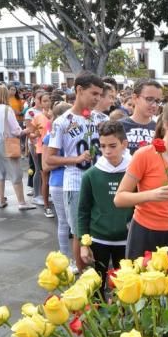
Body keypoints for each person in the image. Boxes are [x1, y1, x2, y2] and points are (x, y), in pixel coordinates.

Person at [115, 100, 168, 258]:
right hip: (144, 232)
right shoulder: (144, 155)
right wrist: (151, 195)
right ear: (166, 124)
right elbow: (119, 199)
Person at [47, 71, 106, 272]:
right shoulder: (61, 122)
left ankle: (100, 272)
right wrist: (76, 159)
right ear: (79, 90)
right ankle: (83, 277)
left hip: (100, 183)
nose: (97, 99)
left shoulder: (101, 118)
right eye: (94, 93)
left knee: (100, 229)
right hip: (75, 183)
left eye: (100, 94)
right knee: (79, 232)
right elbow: (49, 159)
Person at [77, 121, 132, 288]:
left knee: (125, 288)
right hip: (98, 239)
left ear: (124, 144)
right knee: (97, 288)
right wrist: (84, 244)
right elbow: (83, 211)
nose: (107, 151)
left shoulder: (134, 173)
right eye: (102, 146)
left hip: (126, 240)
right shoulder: (90, 175)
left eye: (113, 146)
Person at [0, 85, 35, 210]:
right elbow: (16, 131)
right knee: (15, 173)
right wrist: (26, 130)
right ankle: (21, 202)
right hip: (7, 143)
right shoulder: (7, 109)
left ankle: (1, 200)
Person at [42, 103, 71, 256]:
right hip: (59, 183)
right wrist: (70, 160)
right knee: (64, 223)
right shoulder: (50, 137)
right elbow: (45, 166)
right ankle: (65, 257)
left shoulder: (74, 134)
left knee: (76, 224)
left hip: (74, 182)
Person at [121, 78, 162, 154]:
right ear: (135, 98)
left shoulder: (159, 128)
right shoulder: (119, 126)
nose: (154, 105)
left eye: (157, 101)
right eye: (149, 99)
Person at [31, 92, 54, 217]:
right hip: (42, 150)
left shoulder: (56, 115)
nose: (47, 103)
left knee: (55, 177)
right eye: (44, 101)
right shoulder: (37, 117)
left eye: (49, 100)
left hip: (56, 149)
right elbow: (32, 132)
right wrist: (35, 136)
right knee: (45, 178)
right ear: (40, 102)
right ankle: (46, 206)